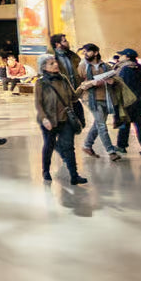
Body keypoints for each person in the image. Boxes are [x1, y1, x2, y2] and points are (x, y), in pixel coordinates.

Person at [35, 55, 87, 185]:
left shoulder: (63, 79)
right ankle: (45, 171)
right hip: (49, 121)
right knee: (49, 145)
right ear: (44, 67)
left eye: (55, 62)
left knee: (69, 147)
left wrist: (83, 87)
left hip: (65, 119)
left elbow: (73, 97)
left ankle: (74, 176)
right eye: (51, 63)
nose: (55, 64)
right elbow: (38, 103)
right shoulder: (41, 82)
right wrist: (44, 118)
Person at [111, 48, 141, 156]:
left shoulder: (125, 69)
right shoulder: (139, 67)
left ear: (127, 57)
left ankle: (122, 146)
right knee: (139, 124)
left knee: (125, 123)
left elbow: (123, 85)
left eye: (122, 55)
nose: (120, 57)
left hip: (129, 101)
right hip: (139, 100)